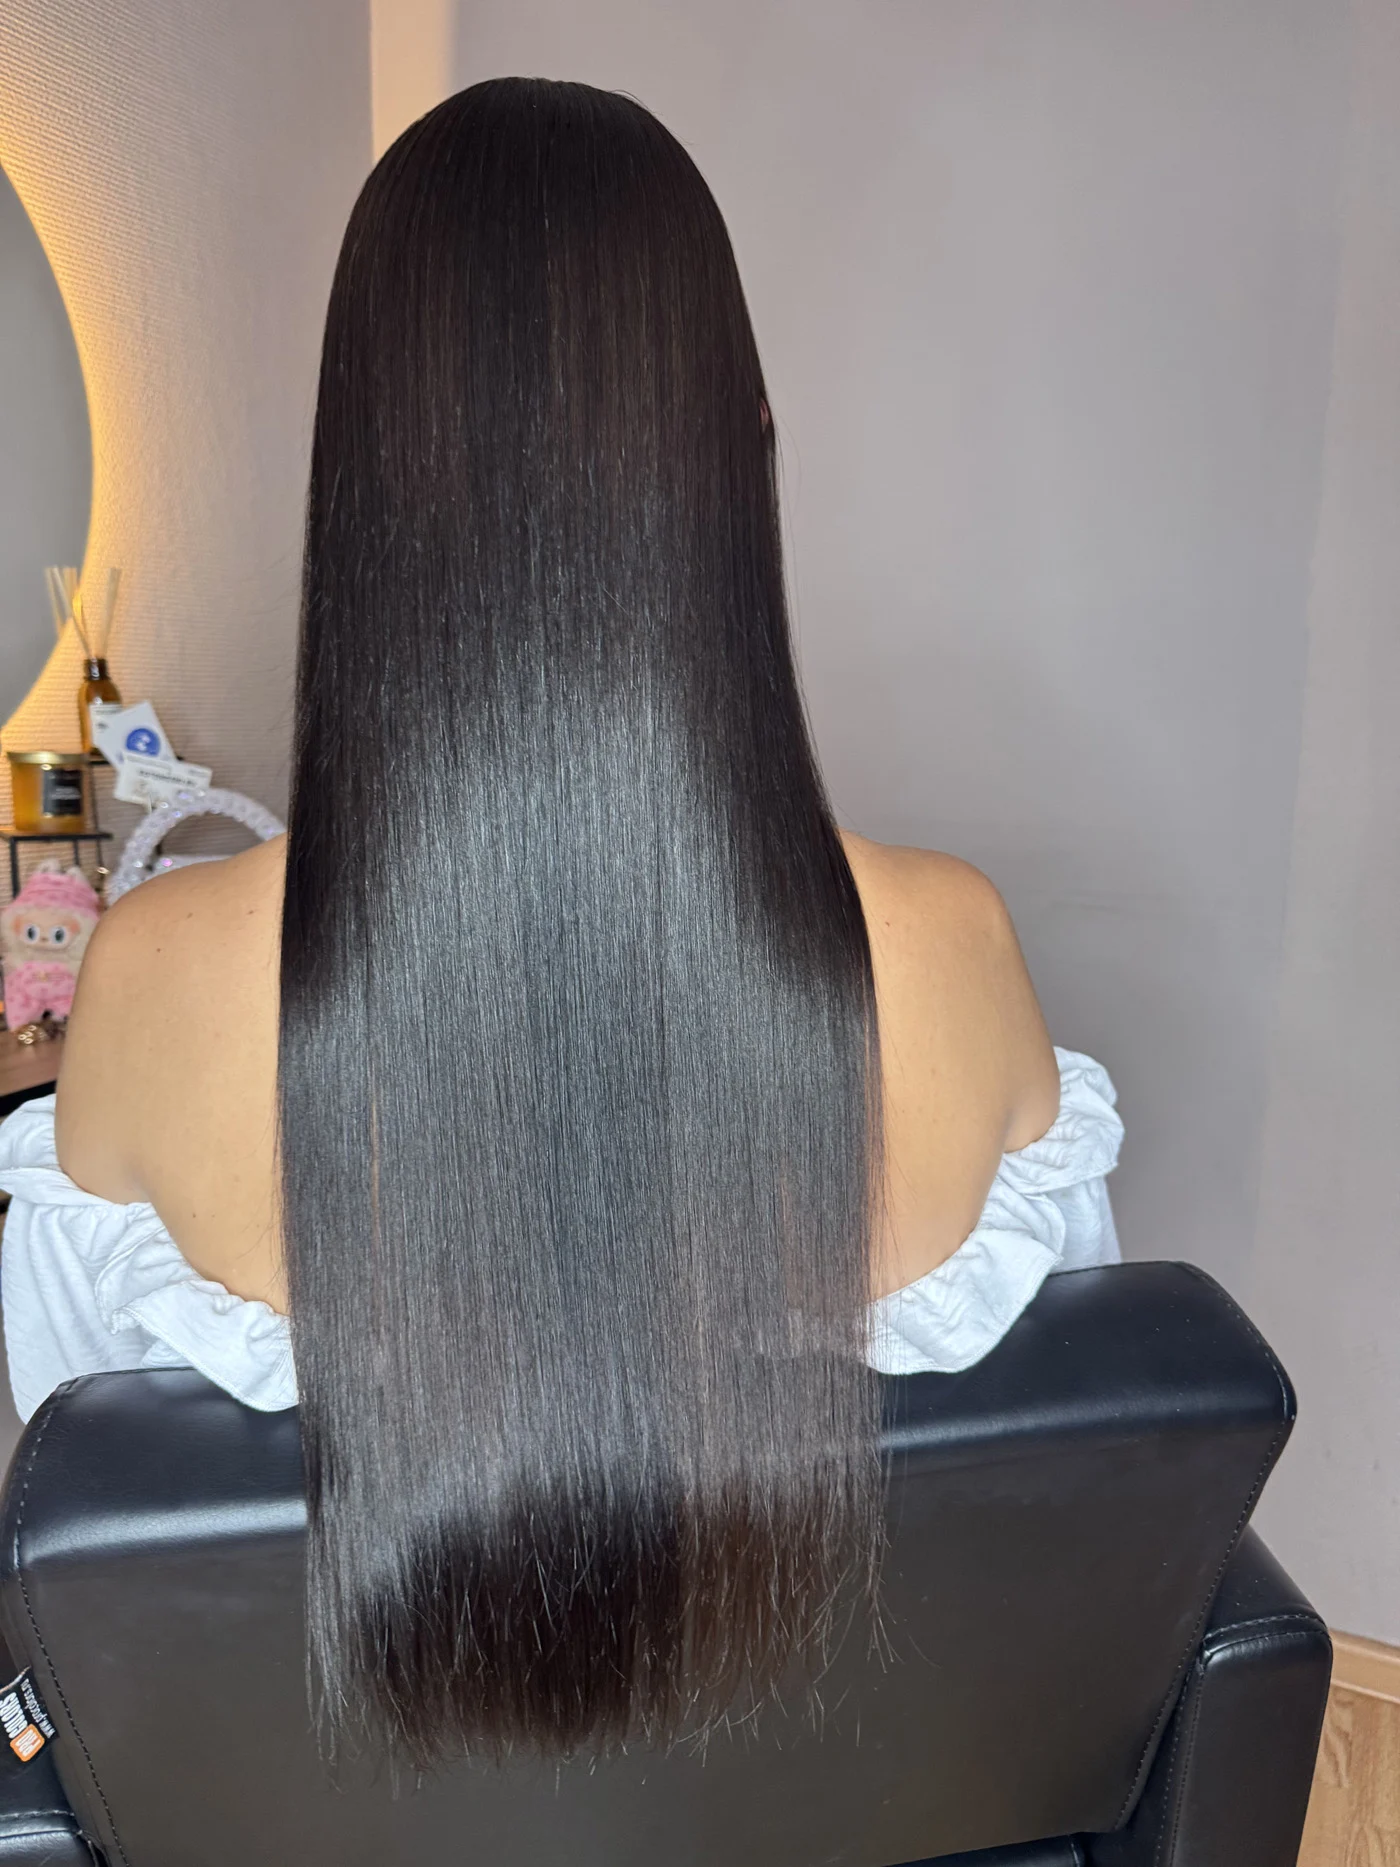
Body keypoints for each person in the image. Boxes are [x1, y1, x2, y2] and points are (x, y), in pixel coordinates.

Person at [0, 78, 1121, 1761]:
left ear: (354, 484)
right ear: (743, 452)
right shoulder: (952, 945)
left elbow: (107, 1531)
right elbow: (1042, 1475)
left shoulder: (154, 975)